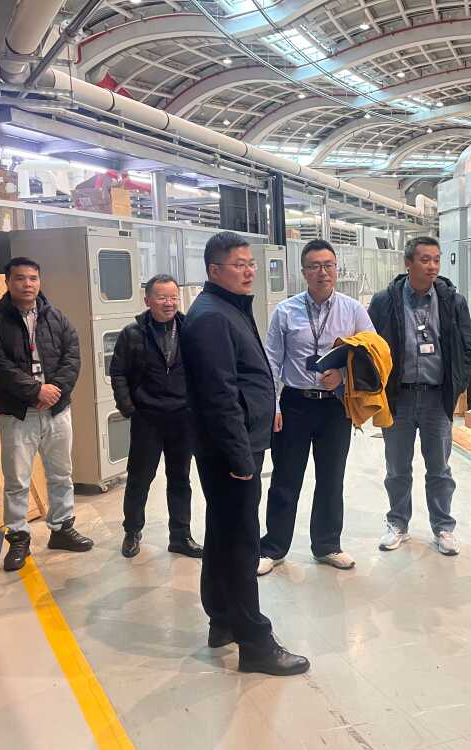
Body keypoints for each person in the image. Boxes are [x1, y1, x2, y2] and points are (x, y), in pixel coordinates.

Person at [181, 231, 309, 677]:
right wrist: (239, 457)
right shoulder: (211, 317)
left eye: (250, 262)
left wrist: (264, 412)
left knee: (223, 533)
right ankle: (255, 643)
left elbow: (245, 378)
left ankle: (221, 620)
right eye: (239, 264)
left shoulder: (228, 308)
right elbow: (218, 396)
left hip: (238, 445)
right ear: (214, 270)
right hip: (230, 453)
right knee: (241, 543)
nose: (249, 270)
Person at [259, 239, 375, 575]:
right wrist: (273, 405)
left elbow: (371, 354)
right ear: (304, 272)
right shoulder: (285, 311)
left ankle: (327, 545)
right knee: (285, 478)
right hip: (295, 404)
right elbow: (271, 361)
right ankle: (273, 547)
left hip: (335, 407)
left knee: (331, 478)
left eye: (328, 265)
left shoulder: (353, 310)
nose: (322, 272)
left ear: (336, 269)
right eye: (314, 266)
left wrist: (343, 375)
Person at [0, 257, 93, 572]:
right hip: (18, 413)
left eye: (32, 278)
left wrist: (55, 390)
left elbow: (72, 356)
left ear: (40, 281)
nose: (27, 284)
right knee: (17, 479)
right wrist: (34, 391)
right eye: (20, 278)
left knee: (61, 473)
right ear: (7, 282)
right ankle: (19, 538)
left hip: (56, 410)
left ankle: (62, 528)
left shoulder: (56, 317)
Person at [368, 236, 471, 556]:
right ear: (408, 263)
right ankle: (397, 524)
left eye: (436, 260)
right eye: (425, 259)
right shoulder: (384, 301)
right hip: (398, 398)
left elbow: (467, 348)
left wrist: (455, 386)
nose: (432, 266)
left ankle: (443, 527)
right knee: (397, 468)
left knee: (439, 468)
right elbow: (369, 347)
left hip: (435, 399)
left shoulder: (452, 302)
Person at [110, 273, 201, 560]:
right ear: (147, 300)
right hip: (147, 418)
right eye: (162, 297)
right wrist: (129, 408)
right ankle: (132, 531)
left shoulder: (189, 330)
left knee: (180, 478)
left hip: (181, 418)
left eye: (173, 297)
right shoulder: (133, 333)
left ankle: (181, 536)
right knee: (140, 478)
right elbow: (118, 373)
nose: (169, 303)